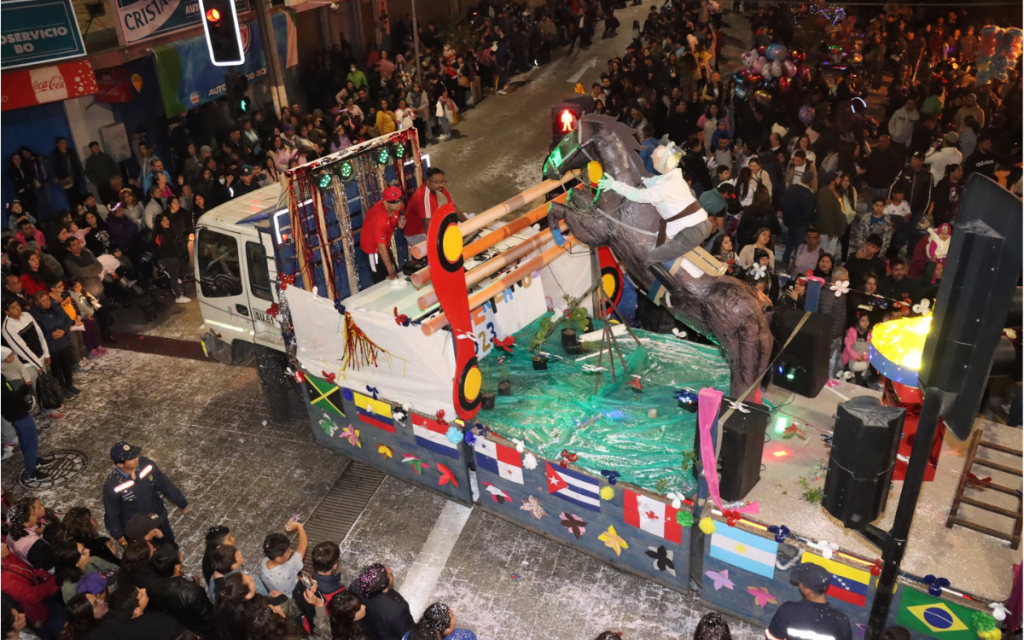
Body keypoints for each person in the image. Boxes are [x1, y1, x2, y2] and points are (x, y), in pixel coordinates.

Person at [598, 144, 712, 284]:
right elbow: (646, 181)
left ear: (664, 162)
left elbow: (639, 195)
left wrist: (614, 185)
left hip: (692, 230)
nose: (651, 155)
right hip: (696, 226)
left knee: (651, 258)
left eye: (655, 154)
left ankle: (676, 292)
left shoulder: (666, 185)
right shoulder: (670, 178)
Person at [102, 441, 188, 546]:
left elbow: (164, 483)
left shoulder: (147, 465)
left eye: (135, 455)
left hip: (158, 518)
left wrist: (180, 501)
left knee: (169, 544)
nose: (136, 458)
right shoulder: (112, 486)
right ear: (120, 464)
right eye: (131, 458)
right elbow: (112, 513)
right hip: (138, 530)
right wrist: (118, 535)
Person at [766, 563, 852, 640]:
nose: (799, 584)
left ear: (808, 590)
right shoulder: (841, 621)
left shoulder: (787, 611)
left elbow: (772, 638)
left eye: (800, 583)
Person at [145, 543, 215, 637]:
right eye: (180, 555)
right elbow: (209, 618)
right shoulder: (192, 592)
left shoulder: (150, 584)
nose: (181, 555)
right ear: (176, 567)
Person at [85, 585, 185, 640]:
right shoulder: (160, 623)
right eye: (141, 595)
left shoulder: (109, 624)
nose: (144, 589)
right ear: (136, 611)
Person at [29, 291, 78, 399]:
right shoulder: (34, 315)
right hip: (51, 346)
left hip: (63, 341)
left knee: (66, 365)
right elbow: (37, 333)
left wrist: (64, 331)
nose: (47, 303)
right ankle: (62, 388)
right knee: (56, 369)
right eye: (43, 301)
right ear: (37, 303)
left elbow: (67, 319)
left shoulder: (56, 307)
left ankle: (70, 384)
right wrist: (50, 335)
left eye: (47, 300)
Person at [403, 168, 465, 249]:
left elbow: (453, 208)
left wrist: (468, 223)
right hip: (417, 233)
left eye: (442, 181)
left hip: (433, 223)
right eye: (437, 182)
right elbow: (428, 226)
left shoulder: (441, 188)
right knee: (437, 249)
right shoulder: (423, 197)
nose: (441, 184)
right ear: (427, 182)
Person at [349, 564, 414, 640]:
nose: (390, 570)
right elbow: (407, 633)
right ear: (383, 589)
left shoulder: (355, 586)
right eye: (389, 574)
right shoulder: (398, 609)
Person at [2, 373, 47, 480]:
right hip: (16, 413)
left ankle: (34, 460)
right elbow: (7, 400)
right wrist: (23, 389)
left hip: (15, 412)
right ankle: (31, 472)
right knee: (30, 441)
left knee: (24, 439)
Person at [359, 186, 406, 284]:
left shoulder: (395, 206)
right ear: (385, 202)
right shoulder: (379, 219)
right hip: (373, 249)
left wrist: (399, 222)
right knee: (381, 279)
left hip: (385, 243)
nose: (398, 204)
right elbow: (381, 248)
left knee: (391, 271)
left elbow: (400, 212)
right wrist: (391, 272)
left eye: (400, 200)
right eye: (394, 202)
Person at [260, 519, 308, 595]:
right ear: (278, 558)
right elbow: (303, 546)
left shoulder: (265, 561)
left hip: (281, 593)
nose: (291, 551)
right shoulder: (287, 570)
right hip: (295, 595)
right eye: (288, 551)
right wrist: (299, 526)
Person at [782, 170, 817, 265]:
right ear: (811, 181)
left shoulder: (791, 188)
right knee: (800, 245)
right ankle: (796, 262)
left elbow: (784, 205)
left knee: (790, 240)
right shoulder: (809, 194)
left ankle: (785, 258)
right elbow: (808, 213)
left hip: (789, 221)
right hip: (801, 223)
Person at [815, 174, 846, 257]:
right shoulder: (825, 194)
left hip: (832, 231)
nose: (840, 179)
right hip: (827, 232)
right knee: (825, 255)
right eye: (837, 178)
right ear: (832, 182)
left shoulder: (832, 192)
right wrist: (830, 231)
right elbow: (825, 214)